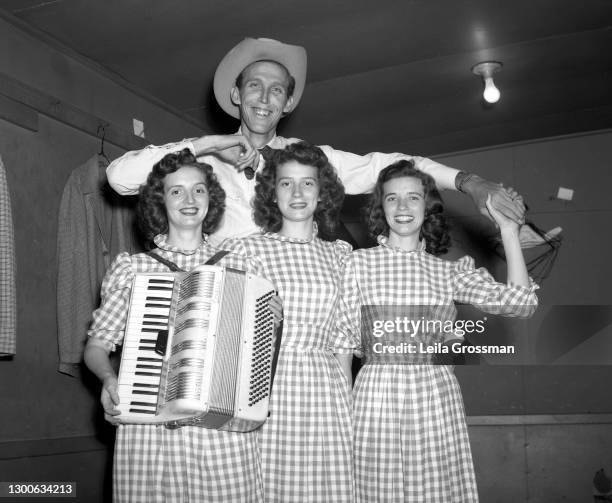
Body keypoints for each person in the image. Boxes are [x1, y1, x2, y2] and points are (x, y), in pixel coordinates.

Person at [106, 37, 525, 246]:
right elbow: (119, 177)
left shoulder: (308, 160)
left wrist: (470, 183)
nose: (265, 98)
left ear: (288, 101)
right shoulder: (199, 158)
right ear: (237, 95)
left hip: (293, 312)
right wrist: (208, 145)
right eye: (255, 86)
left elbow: (394, 166)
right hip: (220, 303)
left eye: (277, 90)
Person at [336, 160, 539, 502]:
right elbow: (342, 345)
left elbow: (520, 303)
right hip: (375, 396)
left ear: (426, 206)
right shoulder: (357, 263)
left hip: (435, 396)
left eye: (413, 197)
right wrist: (341, 415)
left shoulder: (446, 272)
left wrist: (508, 231)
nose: (403, 207)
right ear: (380, 207)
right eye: (392, 198)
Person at [83, 149, 278, 503]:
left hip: (222, 432)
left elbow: (259, 349)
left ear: (210, 198)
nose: (189, 200)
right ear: (161, 201)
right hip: (150, 428)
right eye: (176, 191)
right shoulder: (133, 269)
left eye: (198, 190)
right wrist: (109, 380)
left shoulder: (242, 265)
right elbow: (97, 346)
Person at [223, 142, 355, 502]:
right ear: (272, 192)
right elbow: (225, 331)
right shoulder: (245, 250)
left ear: (322, 192)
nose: (297, 193)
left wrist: (349, 405)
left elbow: (344, 342)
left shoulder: (340, 254)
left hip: (326, 391)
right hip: (265, 388)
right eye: (286, 183)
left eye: (308, 183)